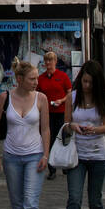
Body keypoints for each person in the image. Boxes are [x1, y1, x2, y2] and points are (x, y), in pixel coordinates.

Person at [0, 59, 50, 209]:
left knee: (30, 202)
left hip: (35, 155)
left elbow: (45, 129)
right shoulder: (4, 97)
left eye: (36, 78)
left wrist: (46, 155)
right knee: (17, 205)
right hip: (11, 157)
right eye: (32, 78)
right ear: (19, 79)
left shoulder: (41, 99)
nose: (36, 81)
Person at [60, 60, 105, 209]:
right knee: (74, 197)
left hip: (99, 155)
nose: (87, 86)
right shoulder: (71, 98)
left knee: (95, 200)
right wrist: (72, 126)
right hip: (77, 155)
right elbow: (65, 124)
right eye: (84, 81)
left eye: (91, 82)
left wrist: (95, 129)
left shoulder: (103, 99)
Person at [38, 48, 72, 180]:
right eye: (46, 60)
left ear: (56, 62)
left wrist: (61, 100)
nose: (48, 63)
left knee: (62, 139)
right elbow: (37, 94)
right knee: (49, 140)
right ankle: (51, 169)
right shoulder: (41, 78)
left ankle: (64, 166)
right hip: (47, 113)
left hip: (61, 112)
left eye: (50, 60)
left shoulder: (62, 76)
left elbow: (69, 93)